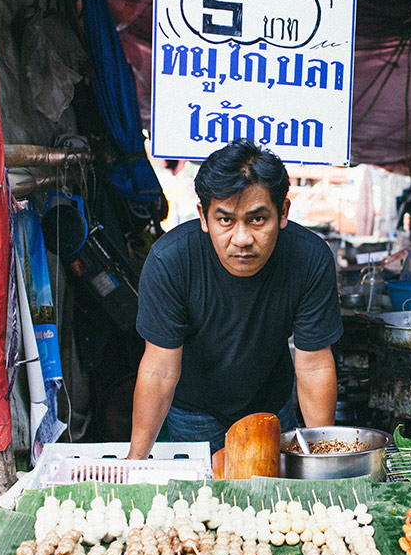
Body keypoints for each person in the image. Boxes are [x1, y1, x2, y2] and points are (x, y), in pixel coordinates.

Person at [127, 139, 343, 459]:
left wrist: (324, 459)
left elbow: (313, 366)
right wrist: (136, 460)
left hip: (271, 405)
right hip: (194, 411)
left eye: (257, 219)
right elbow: (159, 368)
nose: (241, 239)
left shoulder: (310, 259)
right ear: (203, 216)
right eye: (225, 220)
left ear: (282, 212)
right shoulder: (169, 261)